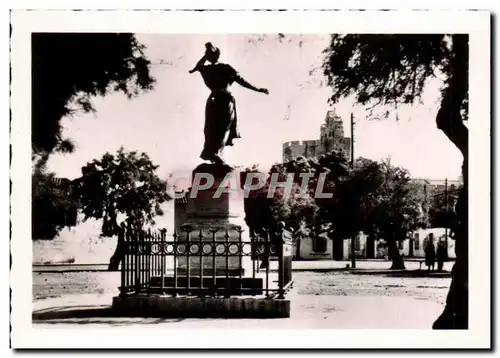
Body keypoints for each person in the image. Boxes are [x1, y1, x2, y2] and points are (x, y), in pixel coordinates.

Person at [189, 42, 269, 165]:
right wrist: (258, 89)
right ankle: (214, 153)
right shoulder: (225, 68)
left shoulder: (206, 69)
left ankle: (212, 153)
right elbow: (241, 81)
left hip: (213, 99)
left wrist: (206, 55)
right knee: (223, 127)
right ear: (218, 55)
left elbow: (198, 66)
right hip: (225, 100)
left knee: (212, 127)